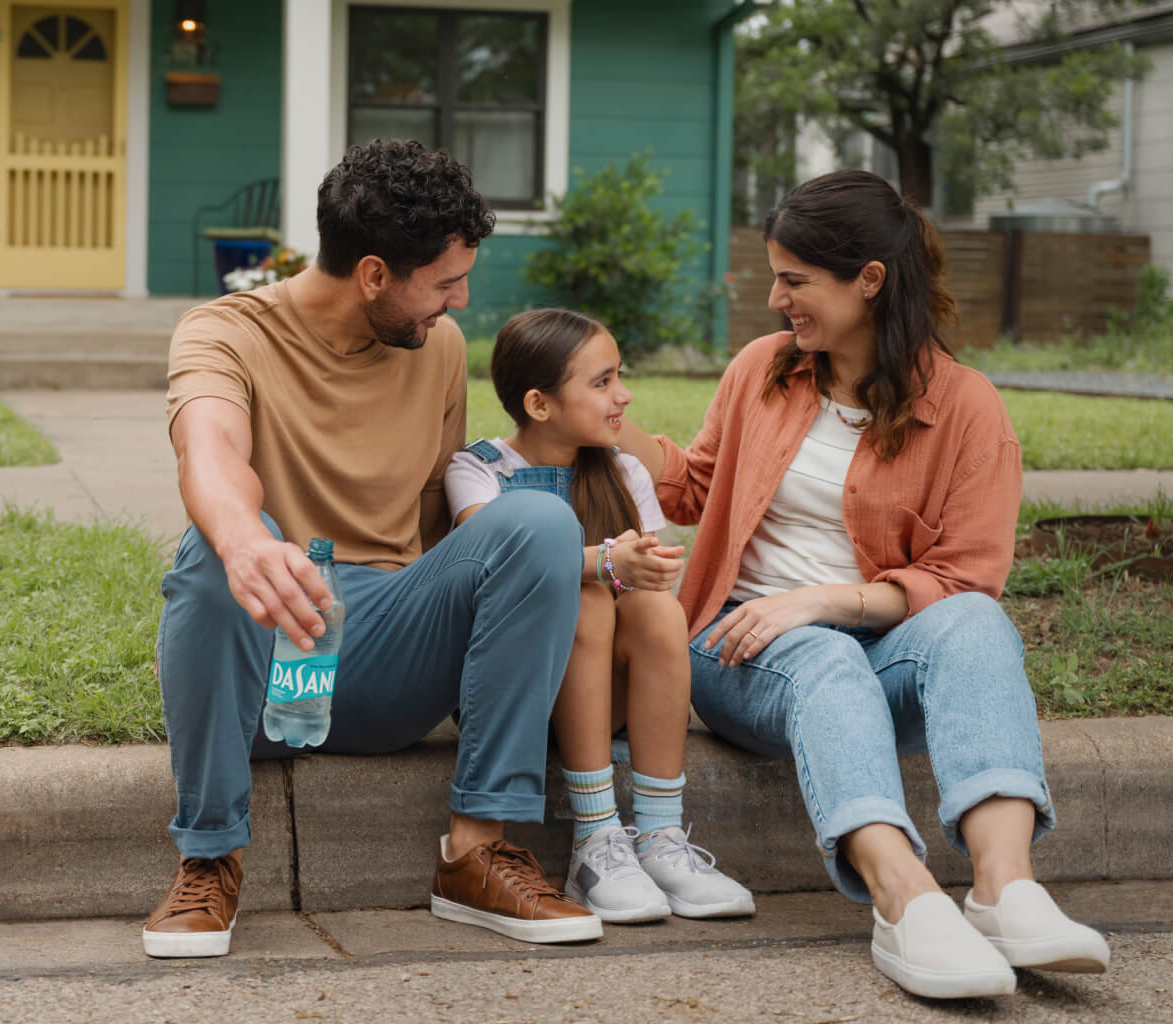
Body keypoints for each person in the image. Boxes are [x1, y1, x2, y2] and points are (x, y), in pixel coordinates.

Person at [619, 170, 1110, 999]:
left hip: (877, 644)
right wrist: (596, 405)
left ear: (869, 282)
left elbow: (963, 578)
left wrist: (823, 599)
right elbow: (692, 487)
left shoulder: (966, 408)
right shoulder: (762, 371)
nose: (777, 299)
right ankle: (902, 898)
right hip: (739, 645)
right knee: (824, 661)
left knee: (979, 625)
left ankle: (1005, 890)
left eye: (795, 280)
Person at [145, 140, 603, 958]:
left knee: (536, 520)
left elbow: (443, 527)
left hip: (386, 656)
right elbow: (208, 454)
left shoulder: (440, 351)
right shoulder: (224, 332)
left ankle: (475, 853)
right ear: (373, 274)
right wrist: (248, 542)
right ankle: (209, 857)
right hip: (266, 661)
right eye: (445, 282)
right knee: (214, 548)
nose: (458, 302)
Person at [444, 308, 755, 923]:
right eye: (603, 382)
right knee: (584, 590)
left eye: (620, 377)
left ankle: (660, 838)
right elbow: (491, 561)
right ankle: (595, 840)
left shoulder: (623, 470)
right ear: (539, 403)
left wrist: (645, 569)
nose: (624, 395)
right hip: (514, 696)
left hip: (607, 692)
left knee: (658, 611)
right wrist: (608, 562)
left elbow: (658, 574)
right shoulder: (477, 469)